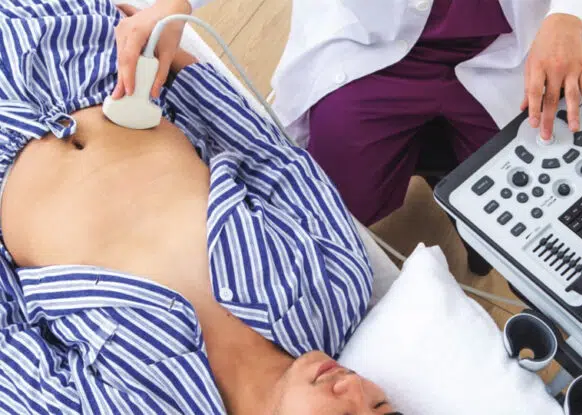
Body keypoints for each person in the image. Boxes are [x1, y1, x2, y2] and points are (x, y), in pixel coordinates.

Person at [0, 1, 398, 414]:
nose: (354, 387)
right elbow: (269, 156)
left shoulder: (140, 405)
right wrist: (166, 48)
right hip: (84, 57)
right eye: (379, 404)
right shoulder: (338, 284)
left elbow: (10, 349)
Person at [114, 0, 582, 228]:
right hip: (372, 51)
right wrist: (174, 3)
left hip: (507, 50)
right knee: (329, 211)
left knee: (541, 213)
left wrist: (569, 15)